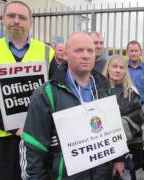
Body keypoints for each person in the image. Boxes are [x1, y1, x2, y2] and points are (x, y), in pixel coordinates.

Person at [20, 32, 124, 179]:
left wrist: (119, 158)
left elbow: (113, 129)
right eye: (79, 50)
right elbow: (33, 146)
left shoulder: (104, 88)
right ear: (66, 55)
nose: (86, 55)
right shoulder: (46, 94)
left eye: (90, 51)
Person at [0, 1, 54, 179]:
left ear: (30, 22)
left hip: (39, 133)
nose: (16, 21)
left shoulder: (46, 52)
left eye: (22, 17)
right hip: (4, 135)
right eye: (11, 16)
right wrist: (12, 127)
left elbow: (55, 92)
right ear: (3, 18)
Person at [102, 55, 144, 180]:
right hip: (101, 155)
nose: (117, 70)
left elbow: (133, 123)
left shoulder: (131, 93)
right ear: (108, 68)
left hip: (125, 152)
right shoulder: (96, 91)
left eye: (121, 68)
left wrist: (118, 158)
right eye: (114, 66)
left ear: (126, 71)